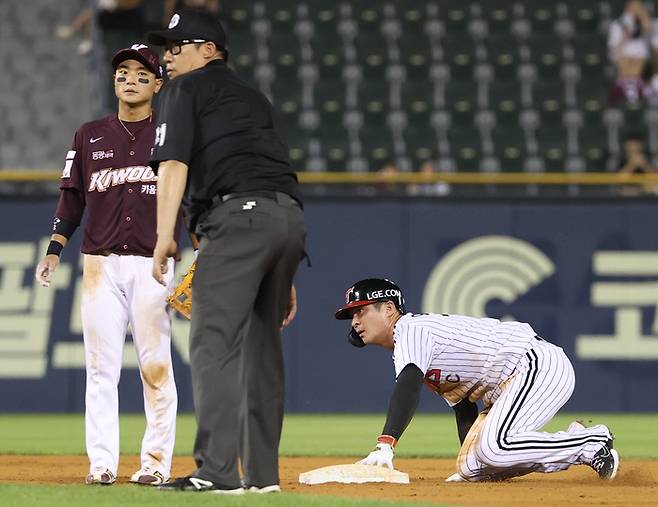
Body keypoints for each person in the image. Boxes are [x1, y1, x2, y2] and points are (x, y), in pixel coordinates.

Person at [147, 9, 307, 494]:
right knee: (262, 351)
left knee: (212, 343)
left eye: (179, 46)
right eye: (165, 47)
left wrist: (163, 236)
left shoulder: (183, 90)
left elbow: (173, 164)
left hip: (239, 219)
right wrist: (283, 270)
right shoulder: (252, 99)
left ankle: (215, 471)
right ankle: (262, 478)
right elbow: (251, 166)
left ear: (209, 51)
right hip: (286, 221)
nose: (167, 56)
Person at [34, 44, 181, 486]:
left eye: (141, 72)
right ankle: (101, 464)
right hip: (99, 264)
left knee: (156, 365)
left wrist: (201, 249)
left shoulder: (171, 134)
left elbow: (189, 197)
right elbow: (72, 196)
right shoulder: (89, 134)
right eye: (122, 72)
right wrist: (55, 247)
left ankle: (155, 463)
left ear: (158, 84)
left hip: (152, 263)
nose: (129, 78)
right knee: (100, 369)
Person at [334, 278, 621, 483]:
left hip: (533, 363)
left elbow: (407, 385)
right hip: (510, 383)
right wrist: (475, 464)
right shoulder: (410, 346)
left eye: (360, 310)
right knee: (475, 467)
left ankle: (589, 442)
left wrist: (386, 443)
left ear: (388, 309)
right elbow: (463, 405)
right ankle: (574, 443)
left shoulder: (411, 329)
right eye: (351, 315)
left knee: (495, 448)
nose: (355, 321)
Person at [607, 0, 654, 104]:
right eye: (632, 7)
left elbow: (651, 33)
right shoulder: (617, 24)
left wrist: (642, 15)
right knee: (624, 60)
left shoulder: (644, 24)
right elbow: (613, 52)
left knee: (637, 60)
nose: (635, 10)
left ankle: (633, 84)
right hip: (621, 56)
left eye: (637, 7)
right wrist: (625, 36)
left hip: (639, 66)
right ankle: (627, 84)